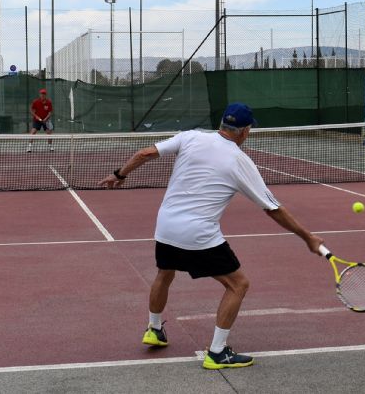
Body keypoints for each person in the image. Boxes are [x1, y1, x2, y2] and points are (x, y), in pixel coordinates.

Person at [97, 103, 324, 370]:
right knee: (238, 285)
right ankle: (217, 352)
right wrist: (307, 237)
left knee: (165, 273)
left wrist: (118, 175)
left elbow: (145, 152)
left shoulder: (191, 136)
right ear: (245, 131)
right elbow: (273, 209)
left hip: (166, 225)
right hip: (198, 233)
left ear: (222, 124)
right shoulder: (240, 161)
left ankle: (154, 329)